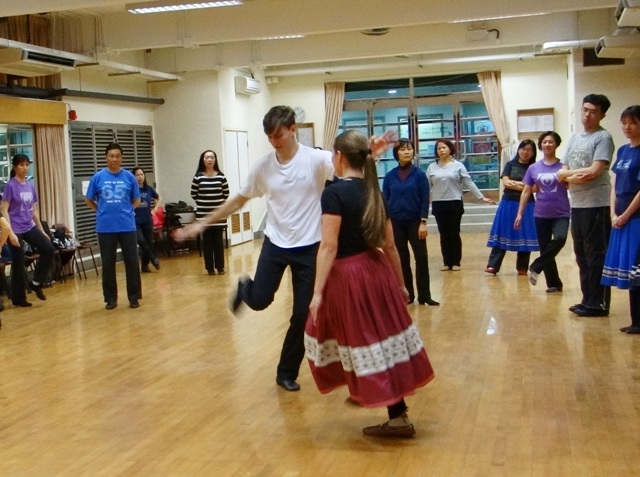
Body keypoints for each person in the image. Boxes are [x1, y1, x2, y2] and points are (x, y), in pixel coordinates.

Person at [184, 106, 334, 392]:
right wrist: (202, 223)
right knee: (260, 300)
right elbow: (238, 201)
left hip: (309, 248)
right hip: (275, 244)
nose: (274, 141)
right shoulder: (263, 167)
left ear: (293, 129)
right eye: (269, 137)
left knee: (302, 315)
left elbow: (347, 165)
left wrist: (372, 153)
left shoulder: (316, 160)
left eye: (279, 135)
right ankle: (245, 288)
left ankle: (286, 372)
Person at [305, 129, 434, 438]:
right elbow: (390, 247)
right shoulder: (373, 190)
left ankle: (372, 393)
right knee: (380, 340)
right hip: (376, 272)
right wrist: (400, 285)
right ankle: (389, 407)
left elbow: (329, 246)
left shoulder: (334, 194)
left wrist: (317, 293)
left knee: (346, 337)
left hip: (348, 277)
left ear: (338, 156)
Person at [558, 94, 614, 317]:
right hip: (578, 204)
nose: (587, 115)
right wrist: (572, 176)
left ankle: (599, 303)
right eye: (585, 110)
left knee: (596, 255)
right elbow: (562, 170)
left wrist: (568, 176)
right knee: (581, 255)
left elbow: (594, 171)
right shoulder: (574, 139)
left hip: (597, 204)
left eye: (593, 111)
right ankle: (587, 299)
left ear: (602, 115)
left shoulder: (603, 137)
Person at [85, 143, 141, 310]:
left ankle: (134, 297)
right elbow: (88, 199)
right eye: (111, 156)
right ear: (106, 157)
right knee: (108, 264)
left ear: (121, 158)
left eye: (117, 156)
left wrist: (128, 211)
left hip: (127, 226)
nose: (114, 159)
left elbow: (137, 200)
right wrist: (99, 210)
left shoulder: (129, 177)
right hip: (105, 227)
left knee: (132, 262)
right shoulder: (98, 177)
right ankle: (110, 298)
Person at [382, 138, 438, 306]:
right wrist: (386, 223)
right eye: (402, 149)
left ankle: (424, 295)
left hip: (415, 222)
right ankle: (407, 294)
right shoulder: (389, 176)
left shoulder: (419, 175)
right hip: (396, 223)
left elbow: (425, 199)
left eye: (409, 148)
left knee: (421, 258)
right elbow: (386, 200)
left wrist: (423, 222)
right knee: (401, 259)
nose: (406, 152)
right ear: (396, 153)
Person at [427, 139, 495, 271]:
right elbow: (427, 186)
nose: (441, 150)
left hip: (454, 202)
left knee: (454, 233)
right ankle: (447, 262)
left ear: (450, 149)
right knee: (443, 234)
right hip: (438, 204)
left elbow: (468, 182)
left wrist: (481, 197)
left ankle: (456, 262)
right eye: (439, 148)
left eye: (444, 147)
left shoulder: (458, 165)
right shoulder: (431, 167)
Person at [515, 132, 570, 293]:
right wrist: (520, 213)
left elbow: (570, 184)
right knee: (545, 248)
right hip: (541, 213)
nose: (547, 144)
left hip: (561, 212)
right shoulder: (533, 168)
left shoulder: (563, 167)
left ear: (556, 144)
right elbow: (526, 191)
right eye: (544, 142)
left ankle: (536, 266)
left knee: (560, 238)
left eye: (551, 142)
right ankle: (554, 283)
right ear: (541, 145)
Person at [601, 106, 640, 334]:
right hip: (621, 218)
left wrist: (625, 215)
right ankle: (636, 321)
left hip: (635, 219)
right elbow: (615, 185)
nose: (627, 127)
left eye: (632, 123)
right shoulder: (624, 151)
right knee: (630, 271)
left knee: (637, 271)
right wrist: (613, 214)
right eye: (624, 122)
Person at [0, 154, 55, 307]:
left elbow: (33, 210)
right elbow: (4, 209)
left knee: (48, 248)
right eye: (21, 165)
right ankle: (18, 298)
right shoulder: (10, 186)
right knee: (19, 261)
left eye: (26, 165)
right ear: (15, 167)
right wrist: (11, 233)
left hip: (28, 226)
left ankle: (36, 282)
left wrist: (41, 230)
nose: (24, 168)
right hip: (14, 227)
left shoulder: (30, 185)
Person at [485, 140, 538, 276]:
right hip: (508, 203)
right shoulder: (510, 164)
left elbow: (535, 188)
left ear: (533, 153)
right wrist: (525, 186)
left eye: (529, 150)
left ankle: (522, 267)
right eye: (523, 148)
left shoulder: (534, 167)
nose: (525, 152)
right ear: (518, 150)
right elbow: (506, 182)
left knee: (525, 234)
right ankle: (493, 266)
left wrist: (517, 185)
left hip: (528, 205)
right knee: (502, 231)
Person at [190, 150, 230, 275]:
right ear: (203, 160)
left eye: (212, 157)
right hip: (204, 218)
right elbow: (194, 194)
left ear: (215, 160)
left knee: (218, 243)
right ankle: (210, 268)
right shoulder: (198, 177)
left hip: (218, 217)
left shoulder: (221, 176)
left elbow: (226, 193)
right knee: (207, 244)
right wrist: (205, 203)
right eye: (207, 157)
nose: (209, 160)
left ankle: (220, 267)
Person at [133, 167, 161, 273]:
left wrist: (155, 209)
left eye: (141, 174)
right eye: (137, 175)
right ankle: (153, 258)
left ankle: (145, 266)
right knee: (141, 241)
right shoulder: (132, 190)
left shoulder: (148, 189)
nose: (140, 177)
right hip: (135, 221)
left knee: (149, 242)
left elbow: (158, 198)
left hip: (147, 220)